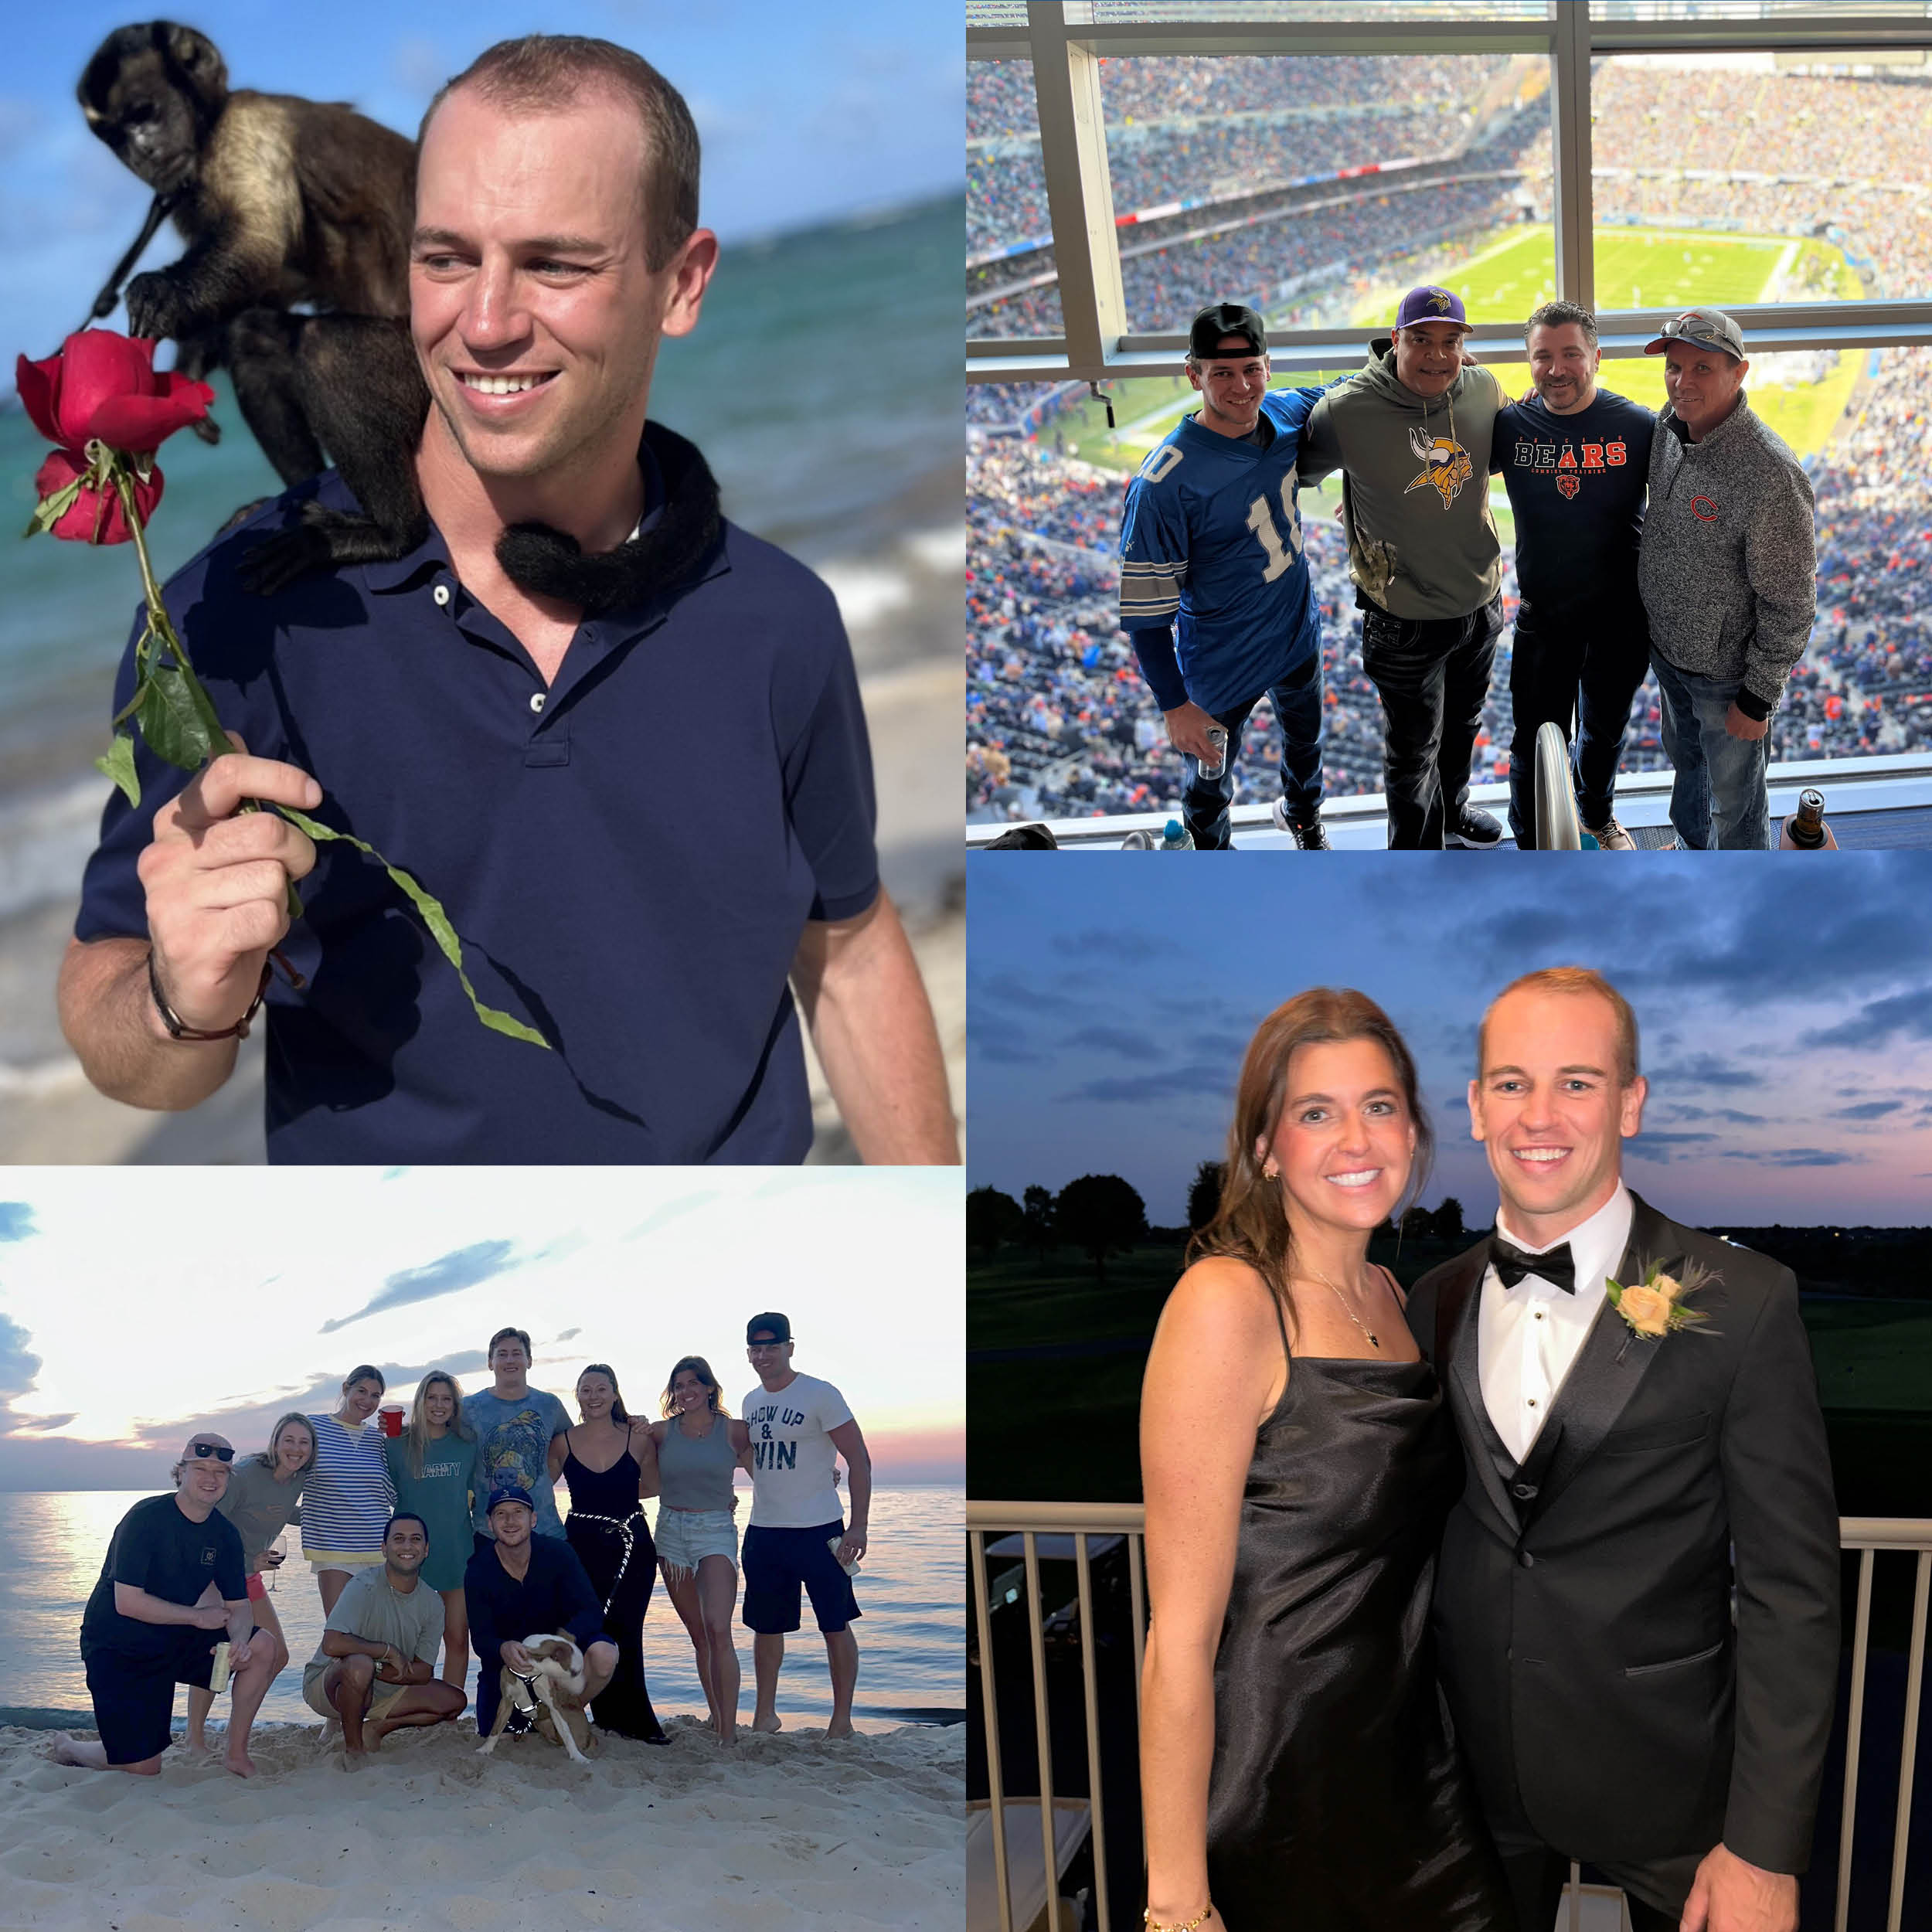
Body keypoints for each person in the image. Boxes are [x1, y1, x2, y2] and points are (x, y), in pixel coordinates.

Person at [56, 32, 957, 1166]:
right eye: (445, 259)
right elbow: (113, 1020)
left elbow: (853, 946)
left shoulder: (777, 617)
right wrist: (178, 995)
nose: (484, 323)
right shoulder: (232, 617)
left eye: (555, 264)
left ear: (681, 283)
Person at [1407, 968, 1840, 1932]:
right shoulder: (1428, 1300)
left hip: (1673, 1791)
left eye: (1578, 1081)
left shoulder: (1742, 1298)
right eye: (1511, 1083)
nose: (1538, 1115)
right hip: (1471, 1790)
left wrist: (1765, 1851)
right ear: (1476, 1108)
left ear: (1630, 1102)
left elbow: (1791, 1592)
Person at [1138, 991, 1510, 1932]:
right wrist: (1176, 1906)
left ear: (1413, 1127)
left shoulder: (1393, 1293)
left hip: (1412, 1777)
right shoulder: (1227, 1301)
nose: (1357, 1137)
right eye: (1316, 1112)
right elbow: (1178, 1640)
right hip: (1273, 1793)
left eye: (1379, 1105)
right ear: (1265, 1146)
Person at [1298, 286, 1510, 849]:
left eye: (1450, 341)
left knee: (1463, 727)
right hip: (1403, 615)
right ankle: (1415, 860)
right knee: (1413, 751)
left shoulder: (1485, 389)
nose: (1437, 355)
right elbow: (1291, 471)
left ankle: (1453, 812)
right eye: (1421, 340)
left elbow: (1498, 462)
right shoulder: (1347, 410)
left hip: (1481, 598)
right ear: (1396, 341)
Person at [1117, 303, 1333, 850]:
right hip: (1221, 659)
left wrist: (1408, 360)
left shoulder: (1285, 413)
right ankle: (1213, 853)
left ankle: (1304, 819)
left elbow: (1350, 391)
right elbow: (1147, 614)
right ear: (1194, 375)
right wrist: (1173, 704)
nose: (1241, 387)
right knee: (1210, 782)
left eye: (1251, 370)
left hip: (1294, 631)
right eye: (1222, 373)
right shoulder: (1164, 483)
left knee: (1307, 746)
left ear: (1268, 366)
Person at [1637, 308, 1818, 849]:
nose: (1682, 381)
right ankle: (1693, 852)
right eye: (1674, 366)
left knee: (1737, 803)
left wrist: (1758, 699)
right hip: (1669, 656)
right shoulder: (1667, 431)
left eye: (1702, 368)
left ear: (1739, 373)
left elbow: (1791, 601)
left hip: (1727, 680)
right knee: (1688, 771)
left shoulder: (1771, 473)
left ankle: (1739, 898)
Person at [1491, 301, 1655, 849]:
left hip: (1621, 620)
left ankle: (1596, 815)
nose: (1557, 369)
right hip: (1545, 619)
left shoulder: (1637, 426)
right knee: (1532, 744)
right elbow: (1440, 460)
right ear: (1529, 361)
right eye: (1543, 356)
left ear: (1596, 358)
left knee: (1604, 736)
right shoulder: (1510, 425)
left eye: (1570, 355)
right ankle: (1532, 842)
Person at [55, 1434, 281, 1780]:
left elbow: (239, 1606)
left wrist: (237, 1640)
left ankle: (236, 1755)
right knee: (143, 1767)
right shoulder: (145, 1518)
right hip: (119, 1645)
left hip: (174, 1636)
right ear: (181, 1473)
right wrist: (197, 1617)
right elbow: (127, 1602)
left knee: (262, 1645)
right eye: (200, 1469)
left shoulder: (224, 1535)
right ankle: (71, 1748)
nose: (211, 1478)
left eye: (220, 1472)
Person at [740, 1313, 869, 1739]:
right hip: (765, 1531)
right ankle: (765, 1715)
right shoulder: (751, 1402)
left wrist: (858, 1526)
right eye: (756, 1348)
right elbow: (758, 1461)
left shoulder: (820, 1394)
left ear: (789, 1347)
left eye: (771, 1346)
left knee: (835, 1623)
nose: (763, 1355)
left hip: (820, 1530)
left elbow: (859, 1459)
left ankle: (842, 1721)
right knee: (766, 1627)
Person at [550, 1362, 668, 1740]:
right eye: (586, 1389)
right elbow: (537, 1487)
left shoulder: (638, 1439)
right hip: (581, 1548)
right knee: (589, 1629)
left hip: (631, 1546)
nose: (594, 1396)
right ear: (578, 1396)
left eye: (601, 1388)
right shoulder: (563, 1441)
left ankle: (636, 1723)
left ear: (615, 1393)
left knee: (628, 1632)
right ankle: (596, 1715)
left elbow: (651, 1487)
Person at [185, 1411, 314, 1754]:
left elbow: (281, 1509)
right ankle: (194, 1737)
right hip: (218, 1578)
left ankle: (235, 1728)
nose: (296, 1448)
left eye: (304, 1442)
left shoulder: (299, 1477)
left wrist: (324, 1516)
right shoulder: (244, 1475)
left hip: (250, 1576)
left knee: (278, 1656)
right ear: (275, 1442)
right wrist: (245, 1561)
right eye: (289, 1440)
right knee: (220, 1659)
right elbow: (209, 1526)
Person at [648, 1354, 753, 1743]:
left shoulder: (735, 1431)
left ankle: (728, 1733)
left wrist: (820, 1472)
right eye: (679, 1385)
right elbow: (638, 1475)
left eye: (694, 1383)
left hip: (714, 1530)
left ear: (710, 1387)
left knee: (718, 1628)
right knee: (698, 1634)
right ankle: (716, 1715)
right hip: (670, 1530)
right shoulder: (660, 1433)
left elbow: (773, 1468)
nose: (686, 1391)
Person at [302, 1511, 465, 1758]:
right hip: (328, 1685)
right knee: (359, 1664)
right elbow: (332, 1644)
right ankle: (354, 1750)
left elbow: (423, 1671)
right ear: (384, 1548)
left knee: (454, 1701)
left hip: (386, 1686)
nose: (407, 1546)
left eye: (415, 1539)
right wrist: (387, 1652)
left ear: (426, 1549)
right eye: (398, 1539)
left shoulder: (433, 1603)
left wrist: (377, 1670)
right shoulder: (362, 1585)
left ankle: (376, 1729)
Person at [463, 1486, 614, 1740]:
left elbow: (591, 1611)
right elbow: (481, 1639)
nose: (510, 1521)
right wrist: (503, 1648)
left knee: (605, 1655)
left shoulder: (559, 1554)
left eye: (518, 1512)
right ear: (490, 1523)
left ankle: (567, 1708)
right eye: (500, 1514)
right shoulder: (478, 1570)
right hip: (510, 1670)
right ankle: (543, 1716)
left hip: (558, 1659)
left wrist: (560, 1644)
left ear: (533, 1519)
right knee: (500, 1738)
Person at [383, 1371, 480, 1689]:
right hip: (410, 1555)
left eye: (446, 1399)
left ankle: (448, 1709)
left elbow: (476, 1494)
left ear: (454, 1406)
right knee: (406, 1643)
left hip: (456, 1553)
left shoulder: (466, 1445)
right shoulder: (397, 1444)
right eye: (432, 1398)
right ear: (420, 1402)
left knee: (456, 1638)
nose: (438, 1405)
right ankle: (406, 1705)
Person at [464, 1326, 571, 1546]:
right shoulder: (468, 1408)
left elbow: (577, 1444)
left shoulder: (550, 1405)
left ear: (529, 1360)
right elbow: (435, 1436)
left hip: (546, 1531)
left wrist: (627, 1421)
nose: (509, 1360)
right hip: (488, 1533)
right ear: (490, 1362)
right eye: (502, 1354)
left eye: (517, 1353)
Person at [304, 1366, 397, 1614]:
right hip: (332, 1548)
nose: (368, 1401)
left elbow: (394, 1495)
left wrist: (398, 1445)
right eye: (362, 1391)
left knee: (378, 1634)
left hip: (379, 1548)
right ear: (346, 1388)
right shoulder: (313, 1427)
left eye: (376, 1396)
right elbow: (288, 1474)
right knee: (340, 1634)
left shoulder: (378, 1439)